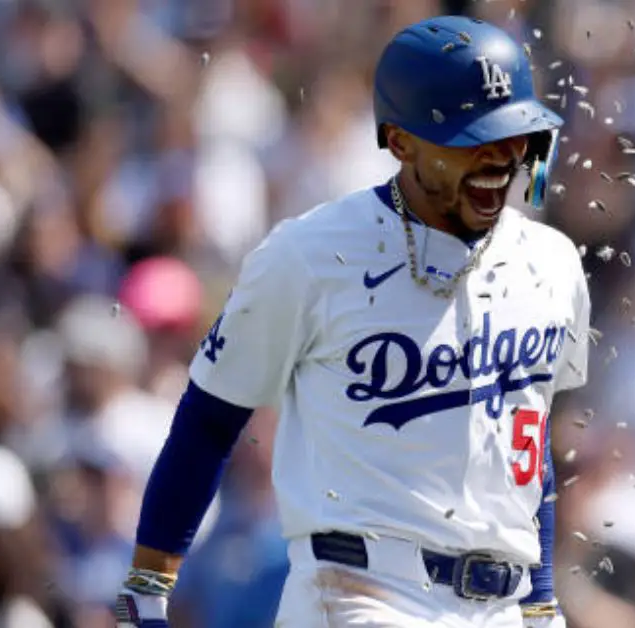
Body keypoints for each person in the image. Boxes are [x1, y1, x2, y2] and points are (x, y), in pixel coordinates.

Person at [113, 14, 588, 628]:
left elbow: (526, 443)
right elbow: (210, 418)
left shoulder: (551, 262)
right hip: (361, 591)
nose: (501, 158)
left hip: (504, 602)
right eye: (472, 139)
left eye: (514, 135)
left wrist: (542, 598)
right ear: (400, 141)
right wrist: (149, 585)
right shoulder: (309, 253)